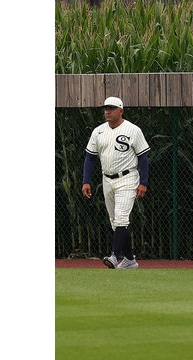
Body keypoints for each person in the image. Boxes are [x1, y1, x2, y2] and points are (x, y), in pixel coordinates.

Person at [81, 96, 150, 269]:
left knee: (121, 218)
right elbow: (90, 157)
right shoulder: (98, 131)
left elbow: (143, 157)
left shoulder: (133, 130)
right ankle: (129, 260)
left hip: (127, 178)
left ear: (121, 111)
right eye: (105, 108)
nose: (107, 111)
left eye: (111, 108)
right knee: (115, 221)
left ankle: (114, 256)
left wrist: (143, 182)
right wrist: (86, 181)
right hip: (107, 179)